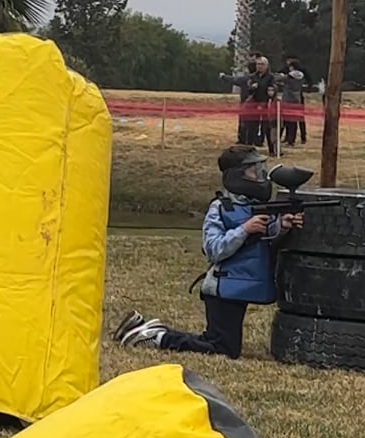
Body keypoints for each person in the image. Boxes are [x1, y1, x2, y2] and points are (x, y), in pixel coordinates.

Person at [113, 144, 302, 360]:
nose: (261, 176)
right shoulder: (221, 208)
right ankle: (157, 338)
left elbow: (264, 244)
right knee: (222, 347)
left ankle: (150, 330)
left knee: (221, 344)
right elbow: (213, 249)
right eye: (254, 171)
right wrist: (243, 230)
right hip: (223, 289)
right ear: (237, 175)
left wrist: (283, 226)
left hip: (243, 285)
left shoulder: (253, 208)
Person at [277, 55, 307, 147]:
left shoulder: (289, 77)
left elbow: (278, 79)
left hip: (288, 100)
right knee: (293, 121)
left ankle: (286, 139)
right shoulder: (301, 76)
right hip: (297, 99)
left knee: (286, 120)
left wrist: (280, 76)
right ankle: (291, 139)